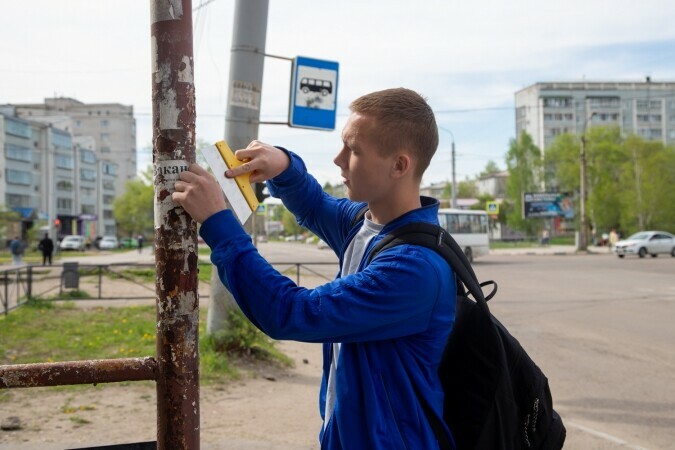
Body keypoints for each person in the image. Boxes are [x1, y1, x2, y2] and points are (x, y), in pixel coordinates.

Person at [174, 88, 456, 448]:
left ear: (399, 165)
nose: (338, 160)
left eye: (353, 150)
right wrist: (285, 166)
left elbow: (293, 312)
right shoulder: (366, 223)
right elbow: (314, 203)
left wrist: (218, 223)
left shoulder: (413, 270)